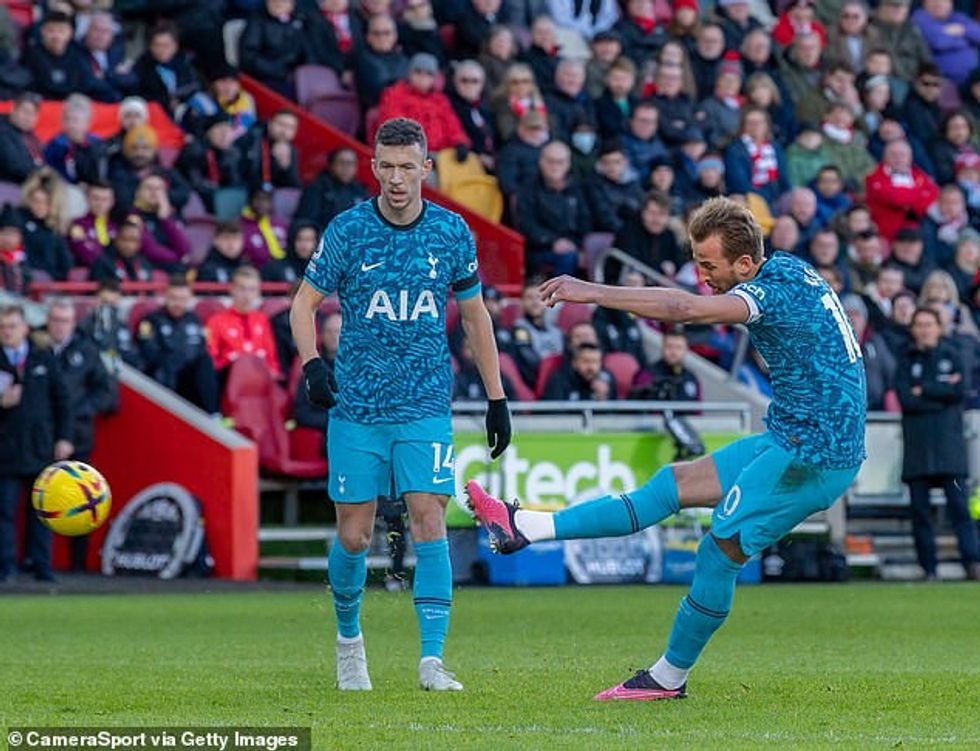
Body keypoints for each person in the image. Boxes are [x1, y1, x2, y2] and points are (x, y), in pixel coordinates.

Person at [467, 196, 867, 700]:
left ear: (745, 263)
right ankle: (524, 525)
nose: (702, 275)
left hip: (813, 454)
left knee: (718, 551)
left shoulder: (770, 292)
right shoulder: (787, 267)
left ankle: (667, 678)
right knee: (674, 483)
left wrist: (590, 291)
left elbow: (684, 309)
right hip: (791, 434)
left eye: (708, 265)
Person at [289, 117, 511, 692]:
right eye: (385, 166)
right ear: (373, 168)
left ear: (425, 169)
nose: (396, 178)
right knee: (356, 537)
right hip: (358, 408)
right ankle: (348, 643)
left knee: (430, 519)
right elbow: (301, 305)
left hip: (424, 405)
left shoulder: (452, 233)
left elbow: (474, 315)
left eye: (406, 167)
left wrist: (496, 397)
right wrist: (313, 364)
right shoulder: (347, 231)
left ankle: (432, 662)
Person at [896, 307, 980, 580]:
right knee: (920, 512)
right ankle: (929, 569)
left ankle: (973, 563)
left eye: (929, 324)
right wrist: (939, 391)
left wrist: (925, 390)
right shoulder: (906, 359)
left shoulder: (952, 355)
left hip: (949, 446)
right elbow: (906, 399)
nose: (924, 329)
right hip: (918, 446)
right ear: (913, 329)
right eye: (919, 324)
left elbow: (959, 391)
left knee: (959, 509)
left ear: (938, 327)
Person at [0, 304, 72, 583]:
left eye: (12, 326)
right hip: (5, 449)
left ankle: (42, 567)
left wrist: (64, 437)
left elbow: (62, 401)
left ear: (25, 328)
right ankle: (6, 568)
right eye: (3, 327)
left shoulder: (43, 357)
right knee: (4, 511)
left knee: (43, 511)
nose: (7, 332)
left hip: (41, 447)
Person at [44, 299, 118, 570]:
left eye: (64, 321)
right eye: (55, 320)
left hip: (78, 436)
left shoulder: (87, 351)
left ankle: (78, 564)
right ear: (47, 321)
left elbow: (108, 394)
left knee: (81, 501)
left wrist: (81, 411)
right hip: (42, 437)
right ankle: (39, 562)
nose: (59, 326)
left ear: (73, 323)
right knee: (40, 500)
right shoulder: (38, 349)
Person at [138, 276, 220, 414]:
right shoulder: (150, 321)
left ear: (189, 299)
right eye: (173, 298)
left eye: (182, 299)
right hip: (163, 380)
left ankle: (214, 414)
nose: (177, 303)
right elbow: (150, 356)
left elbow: (201, 349)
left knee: (205, 360)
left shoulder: (194, 320)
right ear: (165, 297)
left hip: (189, 382)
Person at [207, 266, 282, 380]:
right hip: (228, 379)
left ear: (258, 292)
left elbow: (272, 359)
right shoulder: (216, 321)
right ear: (232, 289)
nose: (247, 295)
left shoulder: (262, 320)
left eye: (252, 290)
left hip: (261, 379)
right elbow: (211, 361)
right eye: (242, 289)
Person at [295, 148, 368, 233]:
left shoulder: (360, 190)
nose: (346, 168)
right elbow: (306, 222)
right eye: (341, 163)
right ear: (331, 165)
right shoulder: (317, 188)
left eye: (351, 164)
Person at [293, 311, 340, 433]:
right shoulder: (313, 369)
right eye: (329, 331)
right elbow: (301, 413)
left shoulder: (358, 370)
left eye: (338, 331)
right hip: (324, 433)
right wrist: (334, 421)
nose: (333, 336)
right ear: (322, 335)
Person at [631, 325, 700, 401]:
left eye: (678, 347)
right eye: (669, 346)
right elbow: (633, 407)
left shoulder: (691, 378)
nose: (673, 352)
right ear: (663, 347)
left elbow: (697, 411)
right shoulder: (647, 374)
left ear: (686, 349)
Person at [68, 181, 117, 267]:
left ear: (112, 202)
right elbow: (86, 256)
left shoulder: (116, 227)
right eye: (95, 198)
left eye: (105, 199)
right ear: (87, 199)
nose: (100, 204)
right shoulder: (77, 225)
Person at [0, 92, 44, 183]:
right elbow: (15, 166)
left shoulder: (31, 136)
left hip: (30, 184)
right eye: (25, 112)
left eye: (34, 114)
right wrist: (45, 171)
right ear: (13, 109)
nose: (28, 118)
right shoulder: (3, 131)